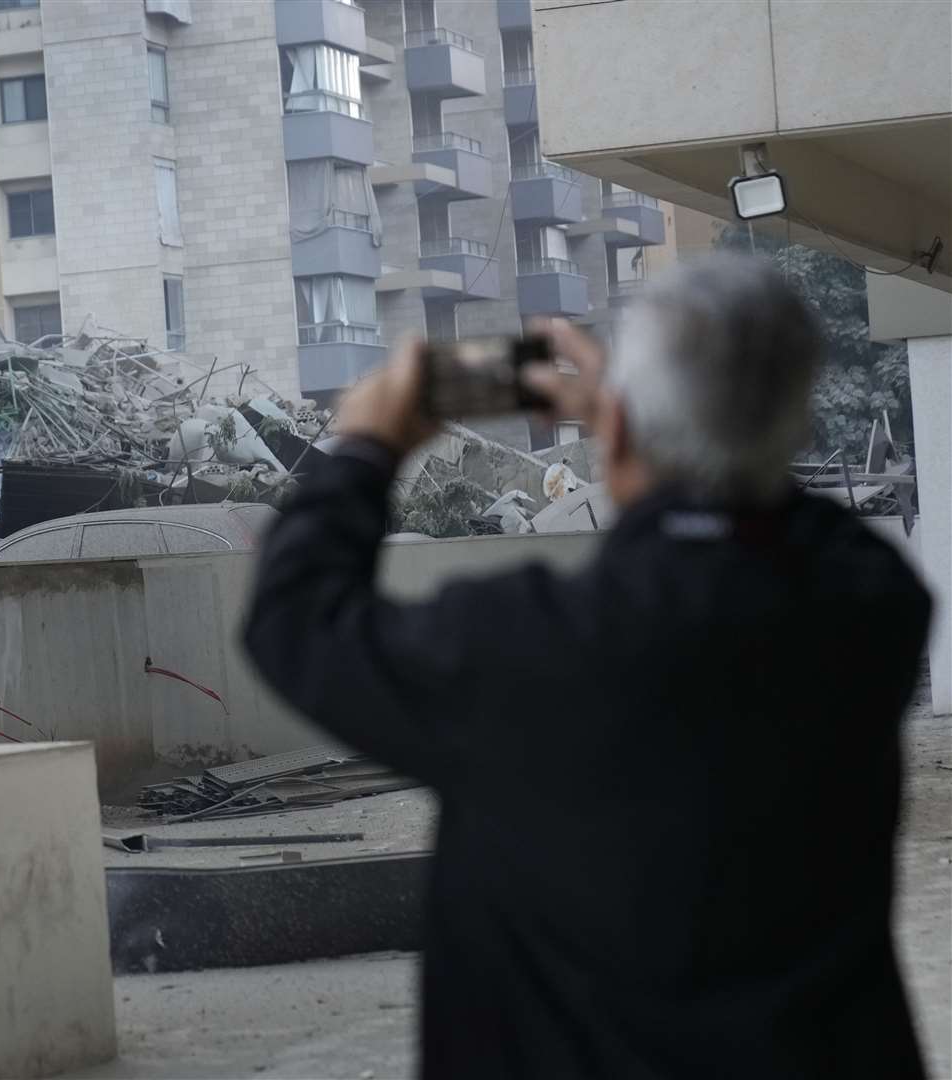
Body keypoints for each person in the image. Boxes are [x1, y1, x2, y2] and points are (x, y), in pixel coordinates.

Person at [243, 254, 932, 1079]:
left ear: (613, 429)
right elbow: (790, 519)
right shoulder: (866, 607)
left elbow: (292, 618)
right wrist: (670, 423)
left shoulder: (520, 644)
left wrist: (362, 448)